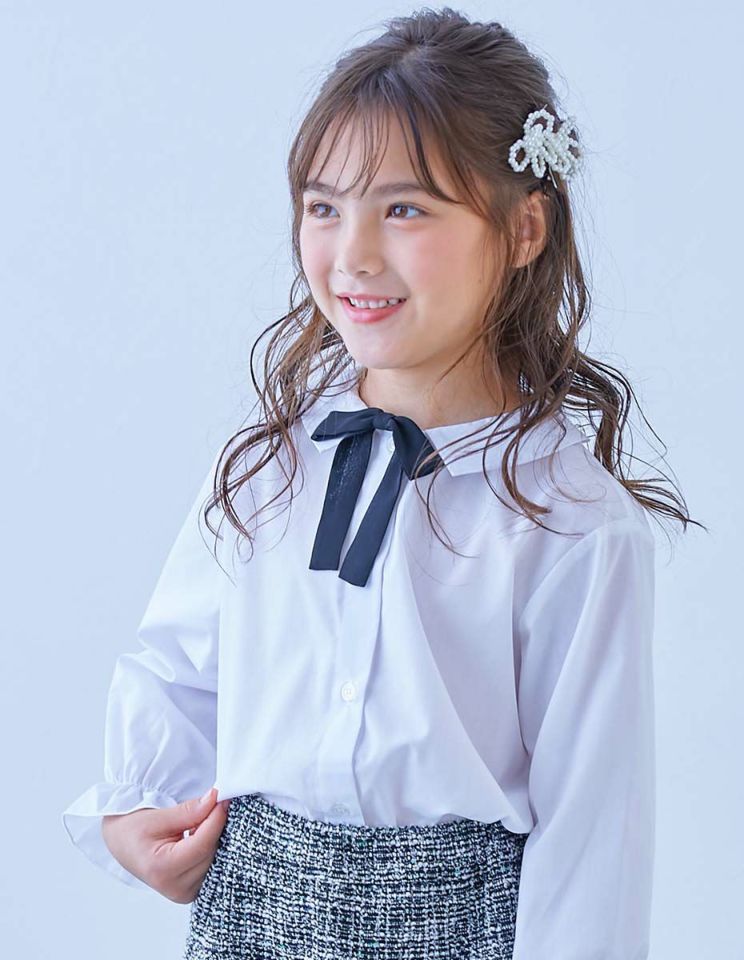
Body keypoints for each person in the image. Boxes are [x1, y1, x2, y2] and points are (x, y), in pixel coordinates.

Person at [61, 8, 703, 959]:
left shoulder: (572, 524)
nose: (353, 255)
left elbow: (593, 836)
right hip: (250, 917)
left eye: (404, 209)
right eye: (324, 207)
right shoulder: (270, 463)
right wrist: (134, 807)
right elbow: (175, 666)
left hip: (461, 928)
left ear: (524, 227)